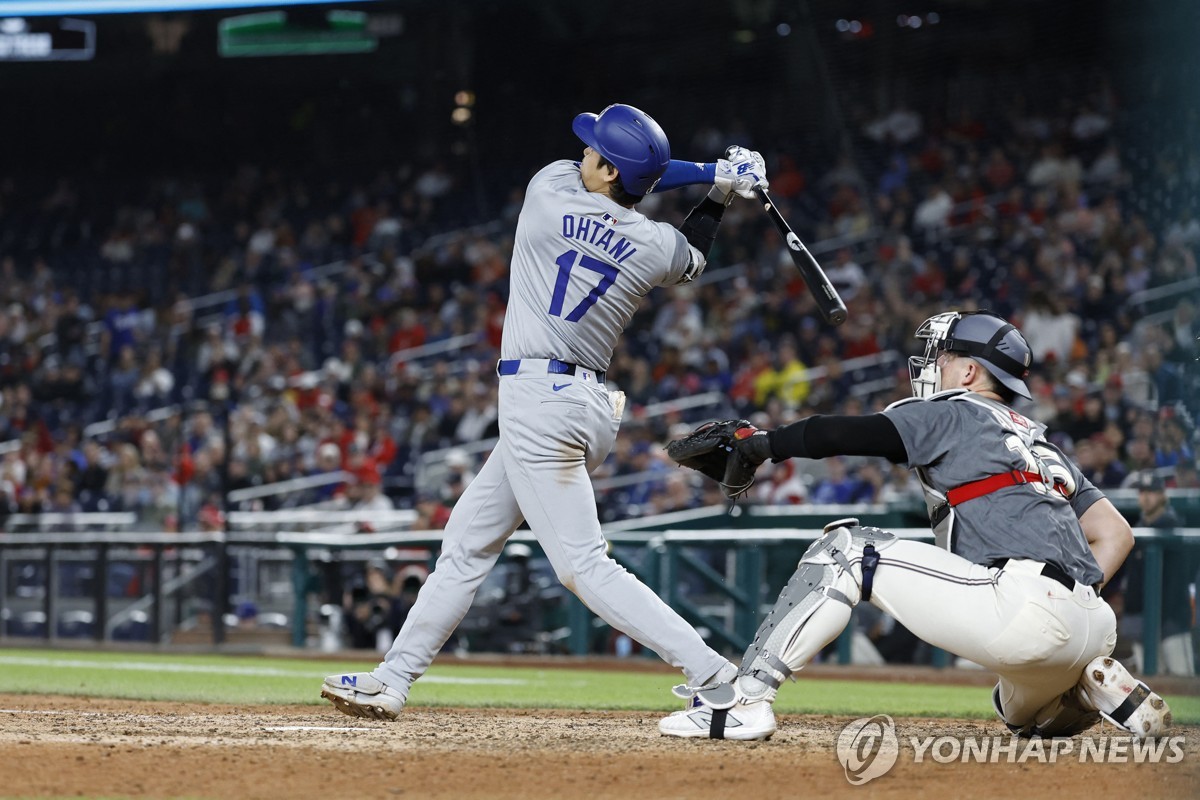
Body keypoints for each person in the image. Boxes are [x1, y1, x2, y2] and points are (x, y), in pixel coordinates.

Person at [321, 103, 769, 719]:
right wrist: (721, 188)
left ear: (608, 170)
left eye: (593, 150)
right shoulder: (653, 246)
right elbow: (692, 250)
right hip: (585, 405)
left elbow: (639, 174)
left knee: (583, 564)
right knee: (468, 543)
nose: (581, 152)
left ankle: (715, 676)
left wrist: (706, 170)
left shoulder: (548, 193)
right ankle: (391, 679)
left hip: (539, 400)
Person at [659, 311, 1172, 741]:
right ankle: (1084, 685)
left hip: (1025, 609)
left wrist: (759, 444)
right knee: (1019, 714)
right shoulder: (1042, 443)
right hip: (1094, 623)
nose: (933, 365)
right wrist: (1072, 601)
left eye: (944, 357)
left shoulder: (954, 410)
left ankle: (745, 701)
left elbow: (844, 432)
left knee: (845, 551)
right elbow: (1116, 534)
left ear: (969, 372)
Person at [1109, 471, 1195, 676]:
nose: (1146, 497)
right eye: (1142, 492)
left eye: (1152, 492)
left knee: (1183, 675)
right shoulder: (1137, 529)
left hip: (1172, 617)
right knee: (1150, 679)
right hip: (1141, 616)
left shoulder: (1174, 526)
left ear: (1163, 495)